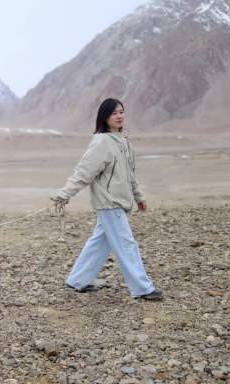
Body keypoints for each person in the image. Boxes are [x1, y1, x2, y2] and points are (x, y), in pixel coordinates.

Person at [52, 98, 162, 300]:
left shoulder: (123, 141)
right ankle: (142, 288)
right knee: (126, 244)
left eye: (122, 112)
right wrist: (64, 195)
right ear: (105, 117)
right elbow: (84, 172)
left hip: (119, 201)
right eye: (114, 113)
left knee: (99, 242)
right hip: (109, 202)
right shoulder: (101, 142)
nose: (120, 116)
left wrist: (138, 196)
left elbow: (129, 174)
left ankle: (77, 280)